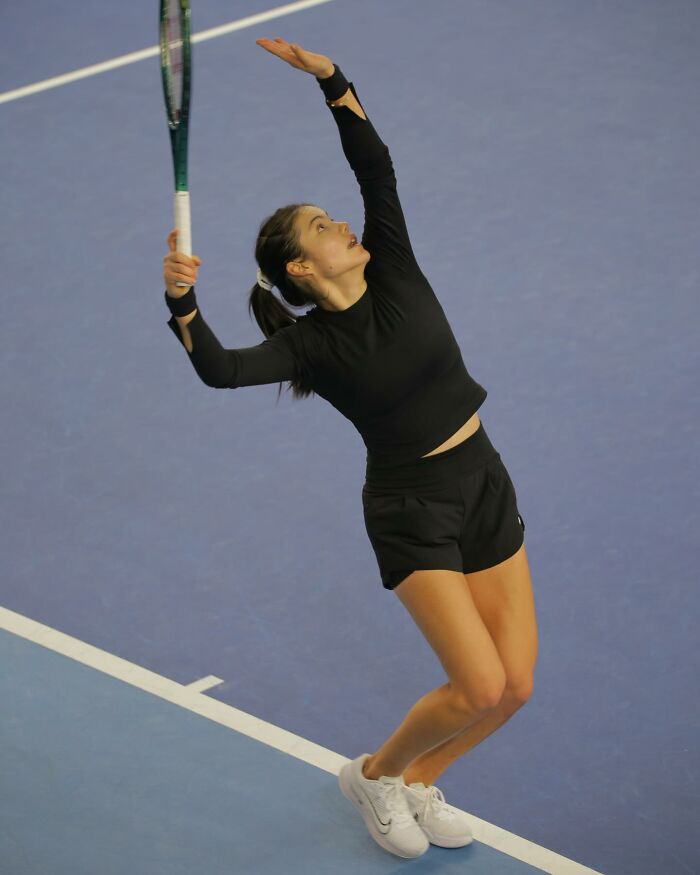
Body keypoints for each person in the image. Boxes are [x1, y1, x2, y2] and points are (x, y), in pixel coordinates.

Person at [162, 37, 538, 861]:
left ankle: (418, 780)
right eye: (322, 227)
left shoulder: (392, 264)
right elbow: (221, 369)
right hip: (412, 508)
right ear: (302, 267)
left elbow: (376, 168)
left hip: (484, 478)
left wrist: (332, 79)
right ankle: (375, 774)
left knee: (514, 687)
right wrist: (182, 303)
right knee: (476, 683)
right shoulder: (310, 347)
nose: (341, 223)